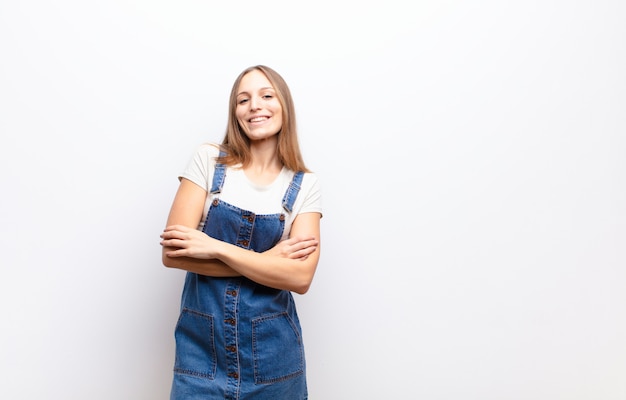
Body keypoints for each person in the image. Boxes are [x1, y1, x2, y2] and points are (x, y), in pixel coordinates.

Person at [160, 65, 322, 399]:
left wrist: (214, 247)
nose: (254, 106)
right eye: (242, 99)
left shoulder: (305, 185)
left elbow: (300, 278)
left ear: (284, 105)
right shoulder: (208, 160)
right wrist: (268, 263)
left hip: (275, 360)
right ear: (235, 113)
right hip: (200, 355)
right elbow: (173, 255)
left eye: (266, 95)